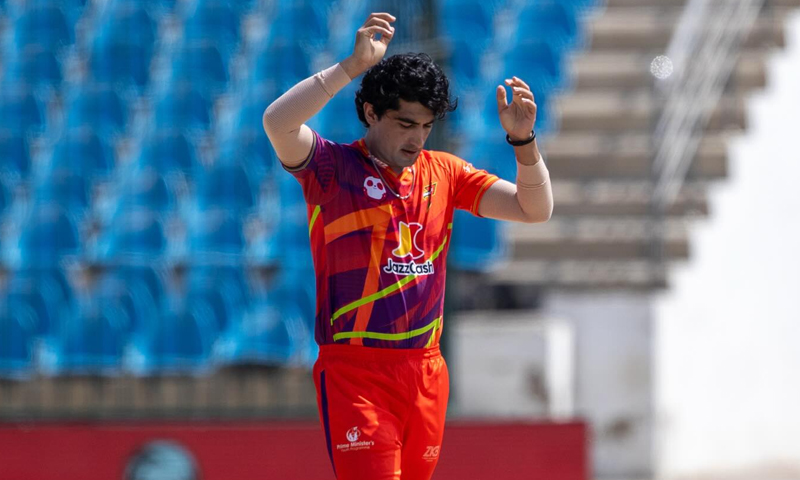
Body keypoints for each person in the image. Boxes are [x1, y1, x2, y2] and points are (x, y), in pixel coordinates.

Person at [262, 12, 553, 480]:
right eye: (405, 123)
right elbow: (277, 123)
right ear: (371, 113)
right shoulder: (333, 169)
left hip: (426, 370)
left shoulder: (446, 172)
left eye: (426, 125)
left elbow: (533, 209)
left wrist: (524, 142)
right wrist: (350, 67)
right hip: (356, 373)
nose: (417, 138)